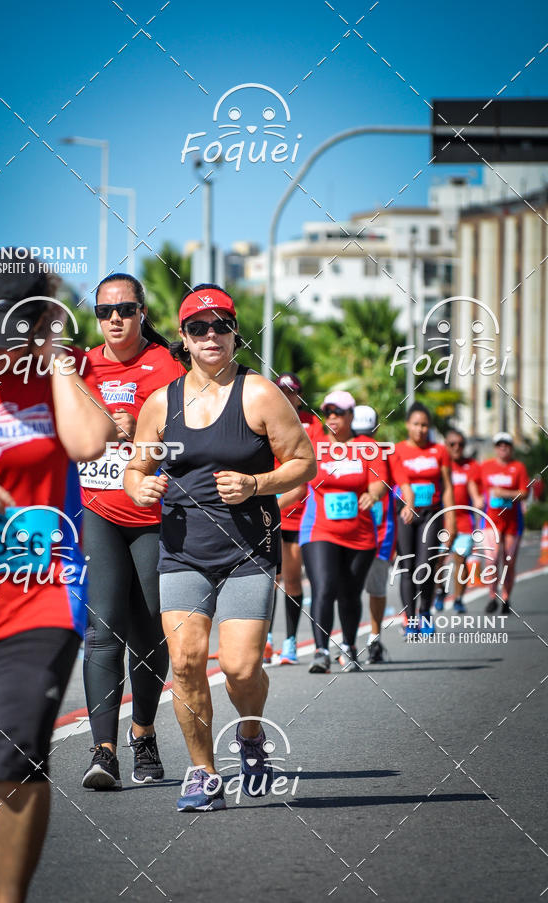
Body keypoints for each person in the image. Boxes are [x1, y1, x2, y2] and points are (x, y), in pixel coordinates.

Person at [0, 255, 114, 903]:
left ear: (40, 318)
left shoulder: (52, 369)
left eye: (8, 331)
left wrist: (58, 359)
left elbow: (90, 442)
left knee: (13, 753)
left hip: (44, 590)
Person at [124, 284, 316, 812]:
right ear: (183, 338)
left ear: (235, 333)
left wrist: (256, 486)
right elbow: (136, 469)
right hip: (182, 551)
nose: (211, 336)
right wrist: (138, 485)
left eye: (221, 326)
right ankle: (203, 773)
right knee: (185, 663)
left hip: (247, 554)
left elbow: (304, 463)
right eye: (198, 328)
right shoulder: (162, 403)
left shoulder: (259, 395)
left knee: (240, 667)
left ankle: (251, 737)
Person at [80, 274, 185, 791]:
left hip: (152, 518)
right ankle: (102, 753)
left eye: (124, 309)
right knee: (103, 629)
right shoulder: (80, 365)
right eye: (104, 311)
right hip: (99, 510)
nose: (114, 319)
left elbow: (187, 436)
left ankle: (142, 732)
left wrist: (144, 428)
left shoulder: (167, 366)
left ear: (142, 312)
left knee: (147, 633)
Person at [281, 391, 388, 674]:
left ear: (351, 415)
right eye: (327, 412)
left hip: (360, 534)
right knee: (324, 587)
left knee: (350, 593)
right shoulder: (313, 445)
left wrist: (373, 495)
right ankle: (321, 651)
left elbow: (379, 482)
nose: (332, 418)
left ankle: (350, 647)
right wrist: (267, 507)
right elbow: (298, 485)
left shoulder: (368, 447)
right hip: (319, 530)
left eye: (338, 412)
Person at [389, 402, 456, 637]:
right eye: (416, 424)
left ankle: (426, 611)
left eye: (425, 425)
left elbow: (447, 486)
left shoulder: (439, 451)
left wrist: (451, 518)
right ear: (408, 425)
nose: (420, 429)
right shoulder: (397, 450)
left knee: (425, 565)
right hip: (405, 514)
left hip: (431, 513)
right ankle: (410, 619)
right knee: (408, 567)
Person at [270, 373, 314, 666]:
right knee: (266, 581)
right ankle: (267, 639)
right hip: (268, 517)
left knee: (293, 580)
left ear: (299, 395)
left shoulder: (311, 427)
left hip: (295, 517)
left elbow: (302, 484)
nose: (287, 397)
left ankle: (290, 641)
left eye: (292, 392)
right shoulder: (264, 421)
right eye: (282, 391)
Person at [347, 405, 396, 665]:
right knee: (375, 590)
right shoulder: (386, 453)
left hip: (348, 533)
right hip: (380, 534)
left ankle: (349, 643)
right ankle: (374, 640)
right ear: (376, 427)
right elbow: (401, 490)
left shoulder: (341, 450)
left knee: (349, 590)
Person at [432, 428, 483, 614]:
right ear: (446, 445)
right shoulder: (438, 465)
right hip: (441, 522)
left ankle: (459, 598)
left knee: (460, 561)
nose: (457, 448)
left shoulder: (471, 466)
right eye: (452, 444)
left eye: (461, 444)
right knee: (438, 561)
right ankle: (440, 592)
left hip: (463, 523)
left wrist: (478, 502)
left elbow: (474, 492)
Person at [480, 432, 529, 615]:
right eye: (500, 445)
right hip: (490, 520)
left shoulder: (518, 467)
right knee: (492, 559)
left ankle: (506, 598)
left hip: (512, 522)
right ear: (495, 448)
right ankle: (492, 596)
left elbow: (525, 493)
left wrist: (505, 494)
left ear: (511, 448)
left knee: (508, 561)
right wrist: (478, 497)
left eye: (506, 445)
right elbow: (475, 485)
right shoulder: (485, 466)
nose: (503, 448)